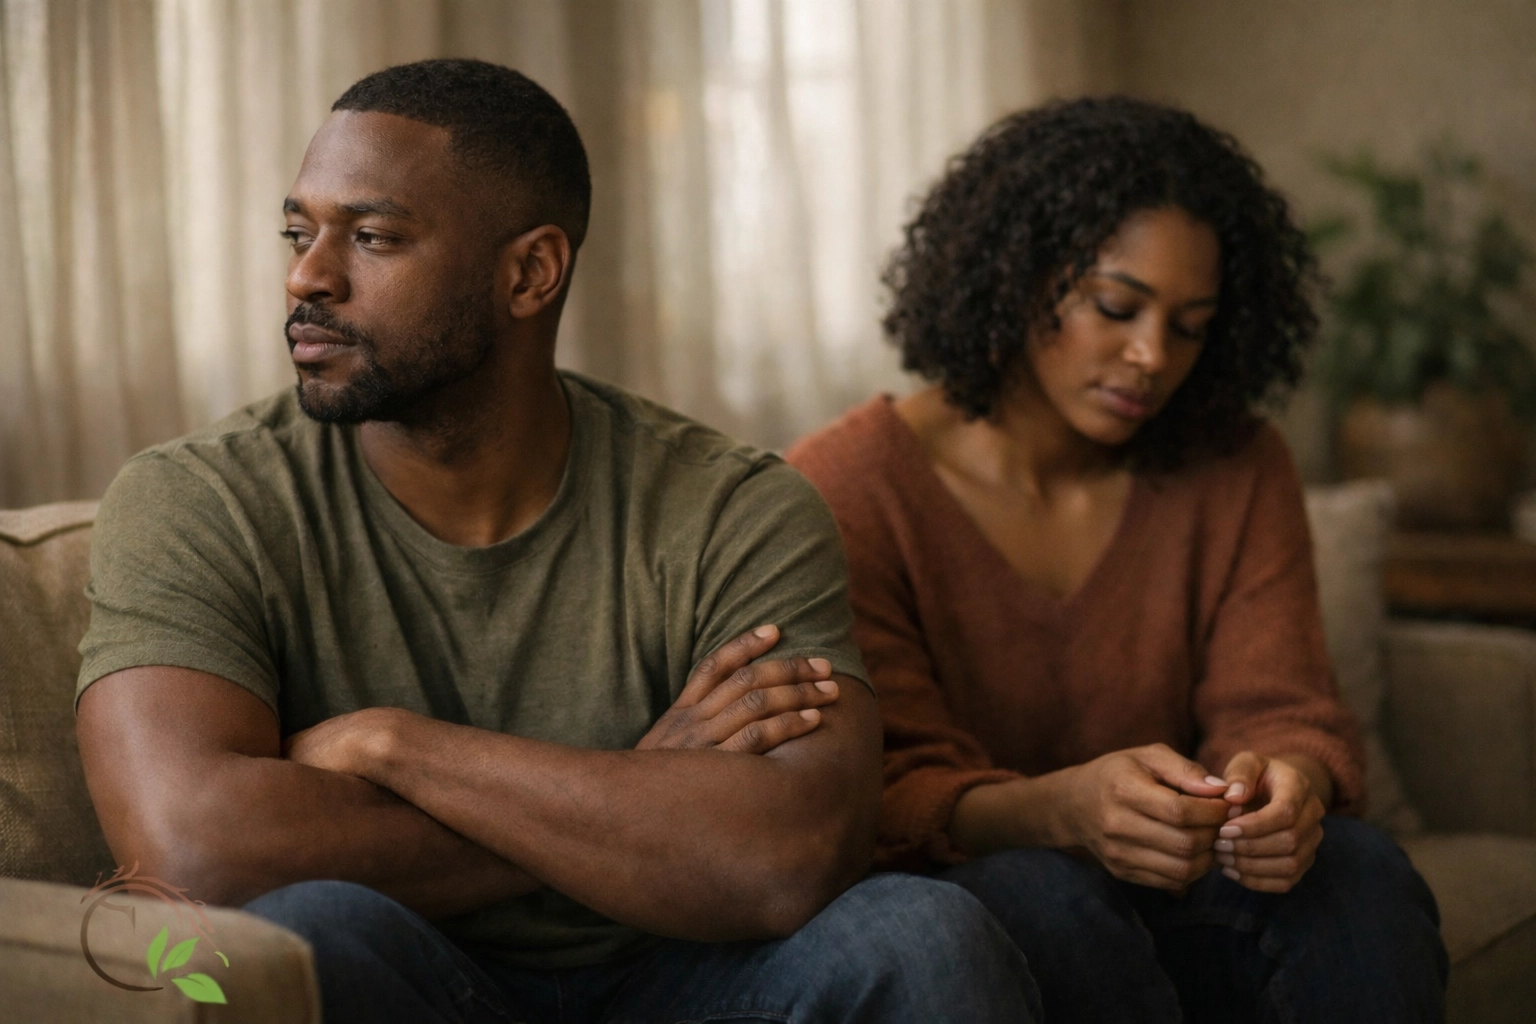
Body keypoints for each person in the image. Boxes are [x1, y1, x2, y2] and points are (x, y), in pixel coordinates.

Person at [74, 59, 1040, 1024]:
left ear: (530, 272)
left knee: (922, 936)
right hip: (412, 981)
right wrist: (645, 789)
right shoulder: (198, 500)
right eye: (300, 231)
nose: (307, 276)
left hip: (688, 982)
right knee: (311, 932)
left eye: (371, 237)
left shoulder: (734, 505)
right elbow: (189, 858)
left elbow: (795, 855)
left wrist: (393, 746)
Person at [788, 96, 1448, 1023]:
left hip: (1192, 895)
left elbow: (1282, 708)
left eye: (1190, 325)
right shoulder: (846, 487)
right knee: (1037, 891)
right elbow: (882, 794)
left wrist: (1287, 787)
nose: (1151, 357)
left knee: (1357, 866)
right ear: (1014, 273)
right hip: (990, 913)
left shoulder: (1236, 464)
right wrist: (1064, 810)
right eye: (1116, 306)